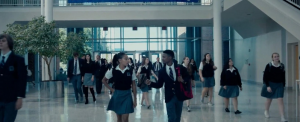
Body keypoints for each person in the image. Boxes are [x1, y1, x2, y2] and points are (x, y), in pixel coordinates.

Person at [146, 50, 189, 122]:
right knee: (171, 118)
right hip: (169, 97)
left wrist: (183, 80)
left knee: (177, 118)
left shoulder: (180, 68)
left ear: (170, 57)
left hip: (179, 96)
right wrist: (151, 83)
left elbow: (188, 77)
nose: (162, 58)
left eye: (164, 57)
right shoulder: (162, 71)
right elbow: (159, 84)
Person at [102, 53, 137, 122]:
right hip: (117, 95)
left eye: (128, 59)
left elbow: (133, 85)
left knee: (126, 118)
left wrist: (135, 99)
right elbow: (104, 80)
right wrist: (111, 89)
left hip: (127, 95)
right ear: (120, 60)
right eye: (126, 59)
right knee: (119, 119)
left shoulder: (131, 70)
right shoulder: (113, 70)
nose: (128, 61)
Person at [0, 34, 27, 122]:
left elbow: (22, 80)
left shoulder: (18, 60)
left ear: (9, 43)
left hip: (11, 99)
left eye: (3, 41)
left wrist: (20, 98)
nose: (0, 42)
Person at [261, 53, 287, 122]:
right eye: (275, 57)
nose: (276, 58)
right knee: (269, 100)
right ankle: (266, 111)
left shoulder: (281, 66)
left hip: (279, 85)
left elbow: (283, 76)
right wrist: (267, 86)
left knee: (280, 100)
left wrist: (283, 85)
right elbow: (265, 77)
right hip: (271, 84)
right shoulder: (269, 65)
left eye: (277, 56)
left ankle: (282, 117)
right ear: (272, 58)